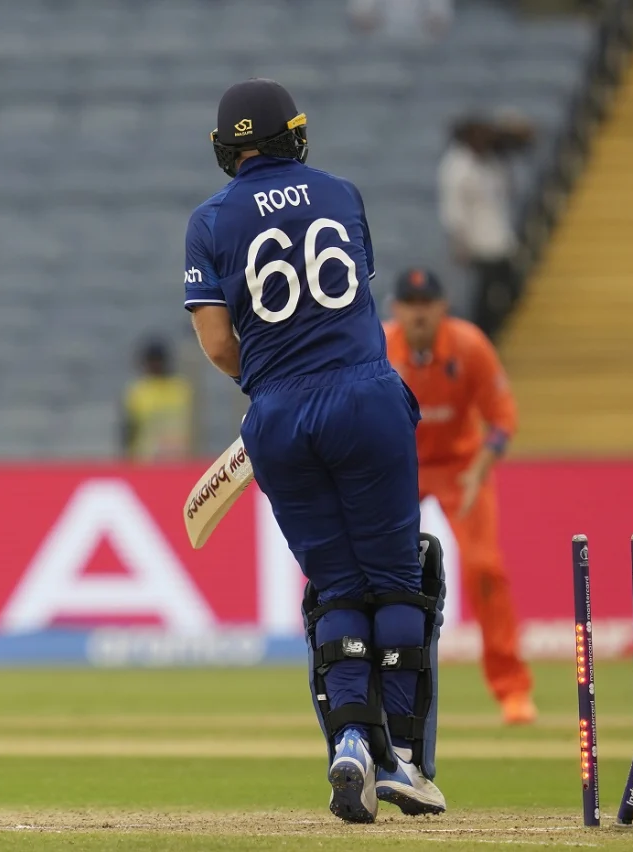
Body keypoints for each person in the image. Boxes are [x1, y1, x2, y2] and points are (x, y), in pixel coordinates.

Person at [184, 78, 446, 823]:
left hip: (277, 415)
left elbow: (214, 342)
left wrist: (272, 384)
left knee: (334, 587)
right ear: (295, 135)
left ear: (224, 151)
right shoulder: (341, 194)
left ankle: (351, 748)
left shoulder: (207, 222)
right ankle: (402, 758)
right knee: (397, 579)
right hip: (364, 396)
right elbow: (348, 300)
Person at [382, 268, 536, 727]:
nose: (419, 312)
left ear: (442, 307)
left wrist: (480, 471)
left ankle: (512, 689)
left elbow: (503, 419)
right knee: (380, 574)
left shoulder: (468, 347)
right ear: (397, 309)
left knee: (484, 567)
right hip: (399, 470)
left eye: (427, 302)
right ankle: (379, 690)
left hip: (461, 469)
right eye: (410, 303)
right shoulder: (381, 350)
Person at [438, 116, 532, 340]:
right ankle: (484, 337)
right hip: (478, 243)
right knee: (485, 296)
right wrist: (460, 242)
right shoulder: (457, 167)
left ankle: (493, 332)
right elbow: (453, 210)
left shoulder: (491, 160)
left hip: (500, 238)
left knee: (509, 289)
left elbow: (524, 140)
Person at [120, 338, 192, 461]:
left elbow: (194, 427)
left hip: (180, 460)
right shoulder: (137, 392)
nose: (155, 365)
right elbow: (128, 431)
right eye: (152, 361)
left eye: (158, 361)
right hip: (146, 462)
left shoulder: (181, 389)